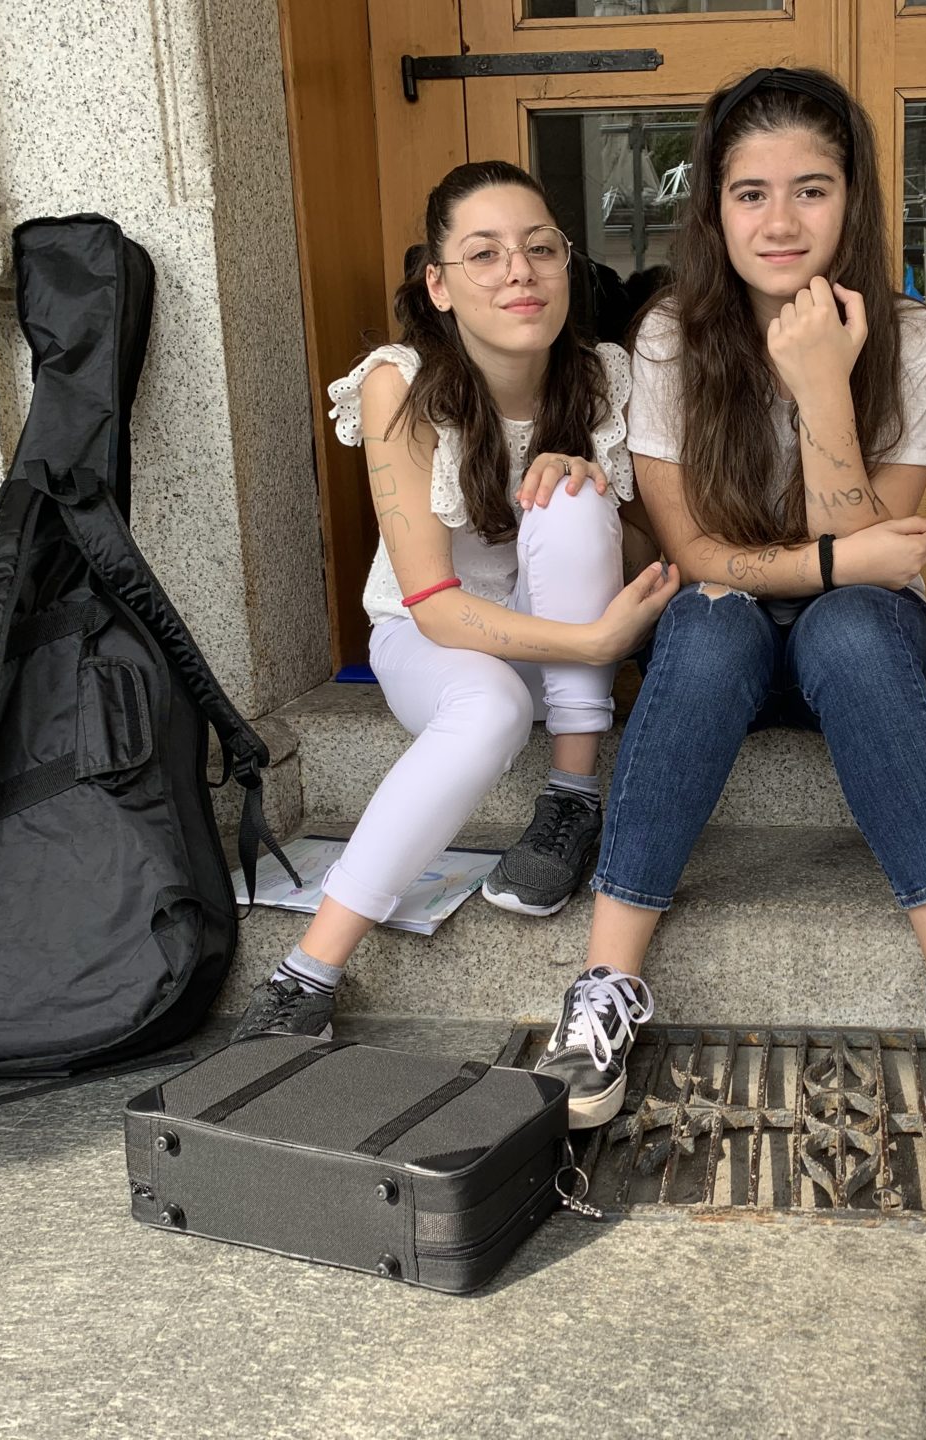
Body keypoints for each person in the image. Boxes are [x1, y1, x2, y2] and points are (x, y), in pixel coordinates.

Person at [531, 66, 926, 1131]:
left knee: (856, 623)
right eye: (751, 193)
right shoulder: (670, 338)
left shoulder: (908, 335)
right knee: (712, 620)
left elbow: (872, 561)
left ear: (851, 200)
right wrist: (832, 563)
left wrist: (824, 384)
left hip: (858, 646)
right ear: (714, 208)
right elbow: (696, 554)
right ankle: (605, 984)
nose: (780, 222)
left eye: (811, 190)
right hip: (719, 637)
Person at [231, 160, 679, 1042]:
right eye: (484, 254)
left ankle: (571, 799)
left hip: (566, 645)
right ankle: (308, 972)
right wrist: (594, 645)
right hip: (434, 643)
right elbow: (434, 605)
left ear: (566, 264)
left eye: (540, 248)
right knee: (490, 709)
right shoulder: (399, 383)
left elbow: (645, 559)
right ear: (439, 284)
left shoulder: (604, 375)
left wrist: (592, 488)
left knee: (573, 493)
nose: (519, 272)